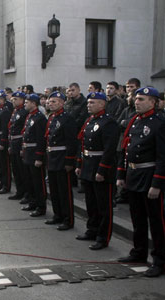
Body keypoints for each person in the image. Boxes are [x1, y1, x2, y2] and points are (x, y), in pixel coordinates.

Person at [117, 87, 165, 277]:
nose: (136, 102)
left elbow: (162, 156)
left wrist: (157, 183)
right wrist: (122, 174)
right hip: (134, 174)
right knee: (137, 218)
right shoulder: (135, 121)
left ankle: (160, 260)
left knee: (157, 221)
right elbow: (126, 148)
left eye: (142, 99)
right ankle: (139, 252)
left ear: (153, 102)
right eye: (136, 99)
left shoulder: (159, 123)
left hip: (150, 175)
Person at [75, 92, 119, 249]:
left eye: (93, 102)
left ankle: (103, 236)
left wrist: (102, 170)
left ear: (102, 104)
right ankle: (92, 230)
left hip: (100, 167)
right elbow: (83, 144)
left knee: (103, 205)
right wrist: (80, 165)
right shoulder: (89, 121)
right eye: (88, 102)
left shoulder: (109, 123)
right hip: (88, 165)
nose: (89, 105)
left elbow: (109, 149)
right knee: (91, 202)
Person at [45, 92, 78, 229]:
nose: (51, 104)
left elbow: (71, 141)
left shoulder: (67, 118)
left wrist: (70, 161)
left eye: (54, 101)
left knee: (64, 191)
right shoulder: (52, 117)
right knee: (54, 190)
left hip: (62, 158)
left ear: (62, 103)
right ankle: (57, 214)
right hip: (52, 157)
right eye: (50, 101)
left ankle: (67, 219)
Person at [20, 93, 47, 215]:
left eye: (27, 102)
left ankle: (40, 206)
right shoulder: (30, 116)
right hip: (28, 152)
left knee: (37, 182)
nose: (25, 103)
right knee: (29, 180)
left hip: (35, 153)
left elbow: (41, 139)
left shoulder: (40, 118)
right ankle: (32, 202)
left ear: (34, 103)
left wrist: (39, 156)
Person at [7, 91, 29, 200]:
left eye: (15, 99)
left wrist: (22, 147)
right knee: (15, 170)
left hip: (20, 143)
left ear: (22, 100)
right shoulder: (15, 111)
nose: (13, 101)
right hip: (13, 143)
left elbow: (24, 131)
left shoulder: (25, 112)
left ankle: (25, 193)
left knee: (22, 171)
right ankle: (19, 191)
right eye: (13, 99)